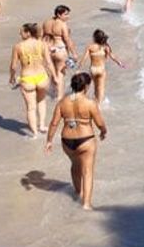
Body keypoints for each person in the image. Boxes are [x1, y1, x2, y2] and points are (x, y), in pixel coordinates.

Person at [45, 72, 107, 211]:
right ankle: (86, 204)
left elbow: (54, 123)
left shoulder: (62, 102)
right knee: (87, 171)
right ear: (86, 86)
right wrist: (104, 131)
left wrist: (49, 141)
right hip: (85, 140)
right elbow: (100, 123)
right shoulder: (90, 103)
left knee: (74, 165)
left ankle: (78, 193)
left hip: (67, 141)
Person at [11, 23, 55, 137]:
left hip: (27, 78)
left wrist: (12, 77)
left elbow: (13, 66)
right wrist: (54, 76)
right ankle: (42, 125)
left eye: (21, 31)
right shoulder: (42, 44)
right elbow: (49, 62)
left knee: (30, 108)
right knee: (41, 101)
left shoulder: (18, 46)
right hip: (42, 77)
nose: (19, 33)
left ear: (28, 33)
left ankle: (34, 133)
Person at [41, 5, 77, 99]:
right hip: (60, 49)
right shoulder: (62, 24)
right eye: (66, 14)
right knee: (60, 73)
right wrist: (74, 54)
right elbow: (67, 39)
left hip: (48, 50)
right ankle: (59, 98)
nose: (68, 16)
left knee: (52, 73)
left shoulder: (46, 22)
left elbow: (42, 37)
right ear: (58, 14)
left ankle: (53, 93)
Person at [85, 29, 124, 103]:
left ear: (94, 38)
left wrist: (78, 68)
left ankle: (92, 101)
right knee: (101, 88)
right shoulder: (106, 47)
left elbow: (84, 58)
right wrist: (119, 63)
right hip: (101, 69)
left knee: (95, 87)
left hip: (93, 69)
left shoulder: (90, 47)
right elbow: (112, 56)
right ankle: (98, 105)